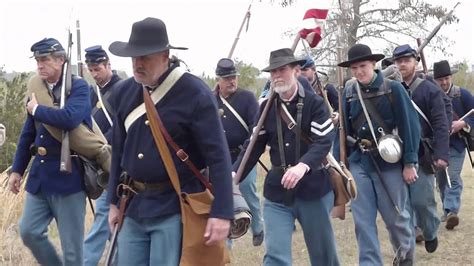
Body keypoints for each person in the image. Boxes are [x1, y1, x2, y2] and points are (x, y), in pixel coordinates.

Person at [106, 17, 233, 265]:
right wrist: (112, 201)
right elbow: (118, 152)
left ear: (165, 55)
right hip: (133, 204)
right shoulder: (124, 92)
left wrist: (222, 211)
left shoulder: (194, 93)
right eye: (134, 57)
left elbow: (218, 157)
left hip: (174, 206)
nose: (137, 64)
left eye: (145, 57)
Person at [234, 48, 340, 266]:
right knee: (275, 257)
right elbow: (252, 148)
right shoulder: (265, 108)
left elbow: (323, 142)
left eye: (282, 70)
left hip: (313, 191)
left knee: (324, 257)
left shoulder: (315, 103)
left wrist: (302, 166)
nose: (277, 76)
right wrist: (233, 174)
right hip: (277, 194)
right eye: (273, 72)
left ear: (296, 71)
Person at [8, 37, 91, 266]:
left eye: (44, 59)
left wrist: (37, 109)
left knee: (73, 253)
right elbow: (28, 134)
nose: (39, 65)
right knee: (28, 231)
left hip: (69, 178)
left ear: (61, 60)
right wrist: (17, 169)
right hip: (40, 176)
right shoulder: (38, 90)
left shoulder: (79, 87)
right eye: (37, 60)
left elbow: (70, 118)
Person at [336, 43, 420, 265]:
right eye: (354, 68)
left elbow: (410, 126)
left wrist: (410, 162)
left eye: (362, 66)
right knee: (363, 221)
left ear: (373, 64)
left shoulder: (393, 88)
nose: (358, 72)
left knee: (396, 218)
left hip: (389, 162)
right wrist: (339, 166)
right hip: (359, 162)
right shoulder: (349, 92)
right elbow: (343, 131)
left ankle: (405, 257)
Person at [393, 44, 450, 253]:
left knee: (422, 201)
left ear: (415, 62)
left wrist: (442, 154)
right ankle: (408, 242)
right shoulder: (392, 88)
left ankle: (430, 231)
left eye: (406, 60)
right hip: (398, 153)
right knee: (402, 204)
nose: (402, 64)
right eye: (398, 61)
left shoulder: (429, 89)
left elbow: (441, 123)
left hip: (423, 153)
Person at [214, 58, 264, 246]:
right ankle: (228, 240)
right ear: (218, 79)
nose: (232, 81)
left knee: (248, 191)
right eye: (227, 78)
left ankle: (257, 227)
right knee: (223, 195)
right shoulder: (211, 100)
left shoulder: (247, 98)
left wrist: (248, 151)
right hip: (221, 158)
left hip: (244, 155)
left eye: (234, 77)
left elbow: (255, 128)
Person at [83, 45, 122, 266]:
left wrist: (101, 144)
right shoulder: (90, 92)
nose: (94, 73)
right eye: (91, 69)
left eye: (98, 68)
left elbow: (122, 126)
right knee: (108, 219)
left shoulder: (124, 89)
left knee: (103, 218)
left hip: (118, 161)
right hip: (99, 163)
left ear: (108, 65)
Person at [433, 60, 474, 230]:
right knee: (442, 179)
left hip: (457, 144)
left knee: (453, 176)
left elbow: (473, 115)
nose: (444, 82)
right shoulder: (431, 95)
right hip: (436, 146)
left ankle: (451, 211)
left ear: (451, 77)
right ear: (435, 80)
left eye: (447, 78)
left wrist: (462, 124)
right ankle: (447, 209)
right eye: (440, 79)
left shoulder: (462, 94)